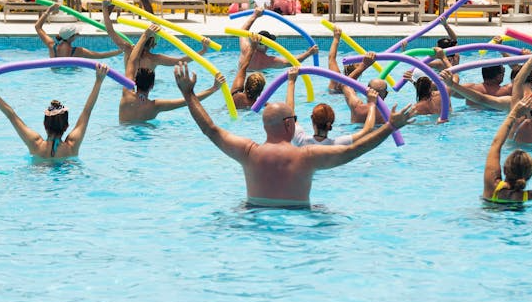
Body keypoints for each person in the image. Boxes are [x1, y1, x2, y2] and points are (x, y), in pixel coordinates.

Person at [174, 61, 415, 208]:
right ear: (289, 124)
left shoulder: (248, 152)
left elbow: (210, 129)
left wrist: (188, 95)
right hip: (298, 219)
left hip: (253, 215)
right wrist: (390, 127)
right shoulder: (307, 156)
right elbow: (354, 150)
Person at [0, 64, 109, 160]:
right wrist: (99, 80)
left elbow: (11, 115)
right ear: (66, 126)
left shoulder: (35, 144)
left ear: (44, 124)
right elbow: (87, 111)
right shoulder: (72, 145)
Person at [118, 24, 223, 123]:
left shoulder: (126, 94)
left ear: (135, 81)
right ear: (152, 85)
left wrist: (146, 34)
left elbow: (132, 61)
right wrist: (214, 88)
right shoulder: (155, 106)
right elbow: (189, 99)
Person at [99, 0, 207, 67]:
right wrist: (203, 50)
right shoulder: (154, 59)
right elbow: (181, 61)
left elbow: (110, 31)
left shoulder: (128, 49)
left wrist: (104, 8)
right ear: (154, 44)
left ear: (143, 36)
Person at [281, 69, 355, 147]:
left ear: (312, 119)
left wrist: (291, 82)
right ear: (331, 122)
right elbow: (366, 132)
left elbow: (289, 115)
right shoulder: (337, 145)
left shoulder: (300, 141)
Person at [236, 8, 317, 70]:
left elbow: (242, 32)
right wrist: (309, 53)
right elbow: (291, 62)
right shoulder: (268, 61)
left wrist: (255, 15)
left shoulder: (245, 49)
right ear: (267, 46)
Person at [34, 3, 121, 60]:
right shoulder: (78, 51)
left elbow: (38, 27)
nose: (79, 34)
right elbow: (100, 55)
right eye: (77, 33)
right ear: (72, 37)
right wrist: (119, 51)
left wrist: (48, 10)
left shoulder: (51, 46)